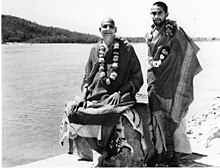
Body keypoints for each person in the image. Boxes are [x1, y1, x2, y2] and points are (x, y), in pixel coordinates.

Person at [69, 17, 145, 166]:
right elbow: (87, 76)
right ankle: (98, 150)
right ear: (100, 30)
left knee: (111, 110)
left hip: (120, 94)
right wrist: (84, 95)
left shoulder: (127, 48)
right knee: (73, 112)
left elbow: (137, 76)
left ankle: (102, 149)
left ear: (115, 30)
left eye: (111, 26)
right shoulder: (95, 50)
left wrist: (120, 92)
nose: (108, 29)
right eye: (105, 26)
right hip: (96, 93)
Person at [145, 1, 202, 166]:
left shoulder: (176, 32)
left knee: (175, 115)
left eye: (159, 13)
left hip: (173, 80)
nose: (156, 16)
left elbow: (189, 51)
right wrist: (152, 61)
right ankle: (163, 151)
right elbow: (151, 57)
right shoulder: (149, 34)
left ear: (166, 14)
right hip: (156, 79)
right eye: (153, 13)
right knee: (158, 116)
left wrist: (182, 75)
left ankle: (176, 154)